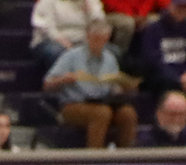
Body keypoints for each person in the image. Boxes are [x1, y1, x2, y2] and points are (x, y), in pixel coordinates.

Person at [44, 20, 138, 150]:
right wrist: (63, 79)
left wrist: (123, 87)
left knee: (128, 113)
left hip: (102, 101)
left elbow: (113, 87)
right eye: (96, 39)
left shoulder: (109, 58)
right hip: (73, 105)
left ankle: (127, 158)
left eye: (104, 40)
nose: (100, 43)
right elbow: (47, 84)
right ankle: (94, 158)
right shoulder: (71, 56)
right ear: (88, 37)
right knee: (101, 113)